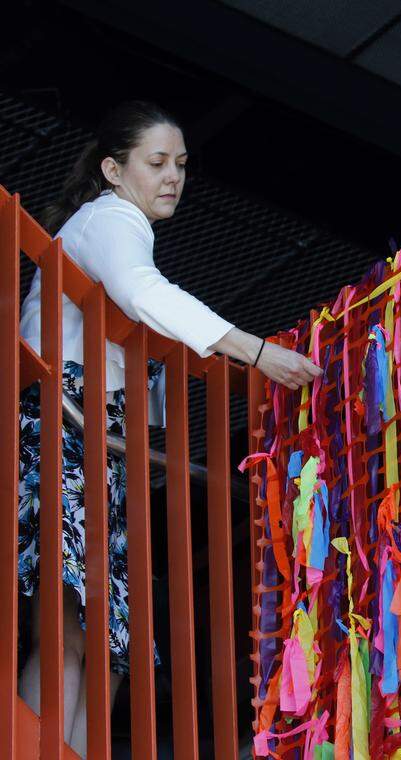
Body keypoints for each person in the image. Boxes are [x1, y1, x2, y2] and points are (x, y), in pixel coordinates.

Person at [16, 100, 322, 756]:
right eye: (156, 162)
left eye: (180, 165)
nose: (172, 176)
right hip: (62, 421)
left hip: (90, 431)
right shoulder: (109, 217)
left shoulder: (106, 227)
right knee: (74, 625)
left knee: (95, 636)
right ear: (113, 169)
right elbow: (142, 290)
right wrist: (256, 350)